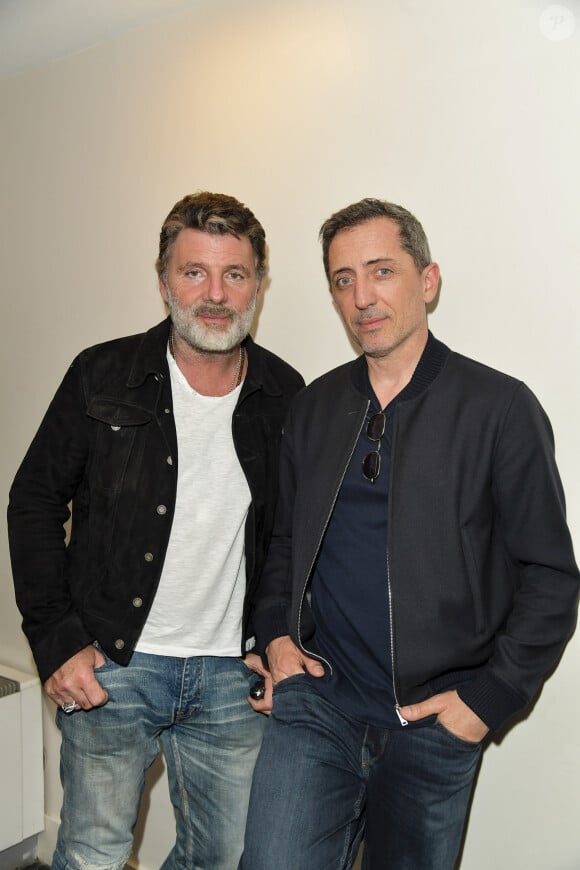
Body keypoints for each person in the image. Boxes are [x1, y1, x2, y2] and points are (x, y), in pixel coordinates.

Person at [241, 198, 579, 870]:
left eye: (381, 271)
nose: (362, 297)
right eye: (343, 279)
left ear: (427, 281)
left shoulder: (499, 409)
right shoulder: (314, 407)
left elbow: (549, 577)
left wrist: (487, 700)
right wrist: (277, 637)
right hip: (319, 705)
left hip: (434, 723)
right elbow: (282, 542)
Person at [7, 191, 304, 870]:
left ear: (258, 285)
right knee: (91, 852)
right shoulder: (102, 374)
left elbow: (294, 539)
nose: (215, 294)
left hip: (233, 674)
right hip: (112, 664)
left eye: (235, 274)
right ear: (163, 279)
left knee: (224, 858)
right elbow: (33, 502)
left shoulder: (288, 396)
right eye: (194, 271)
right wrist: (56, 642)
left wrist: (281, 639)